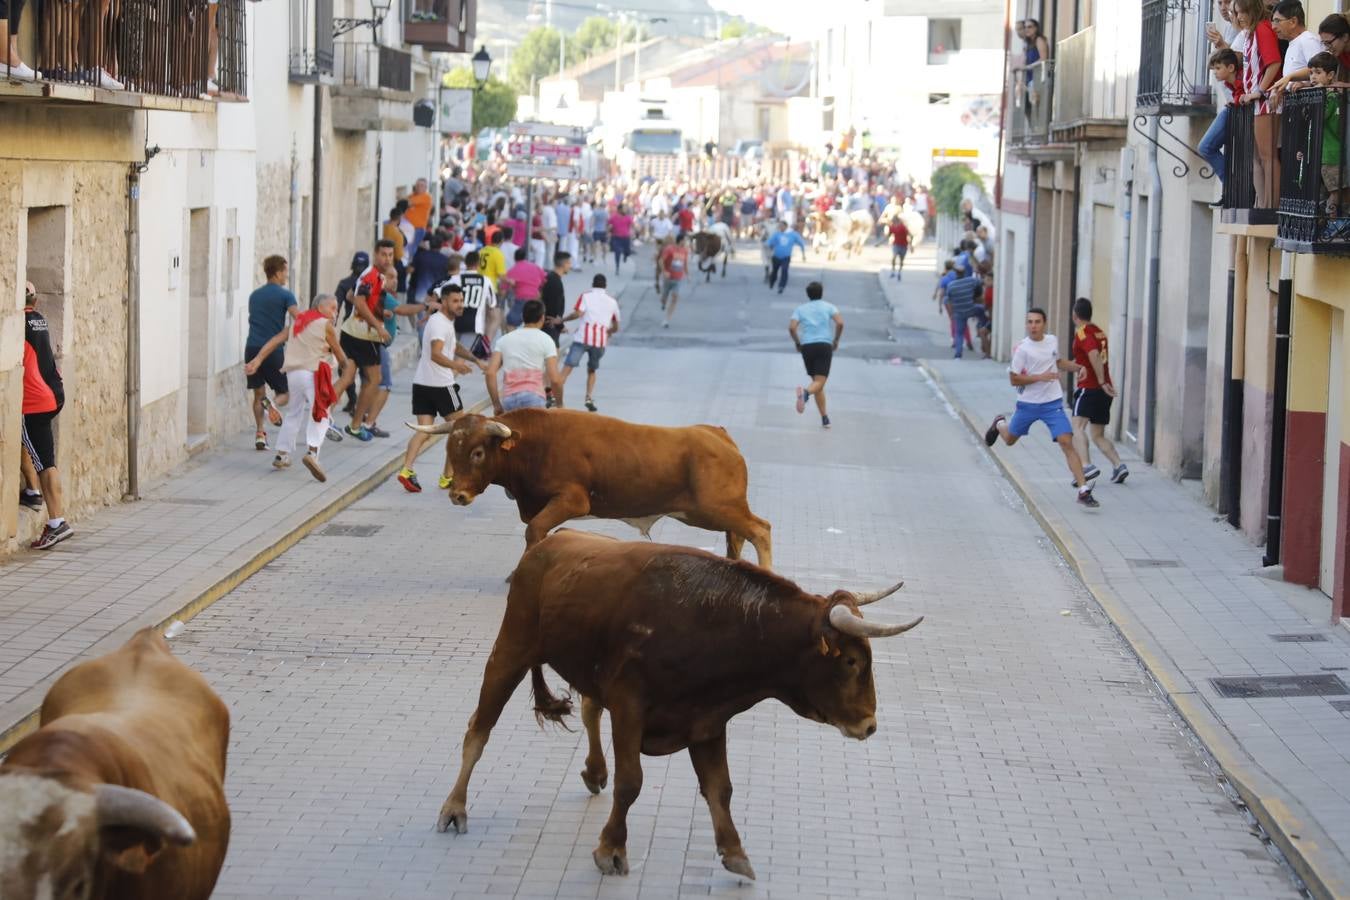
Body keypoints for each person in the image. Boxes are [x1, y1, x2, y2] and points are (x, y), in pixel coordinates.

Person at [984, 308, 1100, 509]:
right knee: (1010, 439)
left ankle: (1083, 490)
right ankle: (999, 423)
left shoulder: (1052, 341)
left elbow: (1057, 362)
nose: (1033, 326)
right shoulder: (1023, 349)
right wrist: (1040, 377)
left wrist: (1079, 367)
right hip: (1028, 404)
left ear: (1044, 324)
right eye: (1029, 322)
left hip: (1052, 403)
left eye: (1037, 322)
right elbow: (1013, 379)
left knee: (1066, 441)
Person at [245, 293, 349, 482]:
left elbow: (276, 341)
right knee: (320, 413)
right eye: (332, 308)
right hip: (314, 374)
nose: (335, 313)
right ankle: (312, 453)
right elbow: (341, 355)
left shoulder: (297, 323)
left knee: (294, 414)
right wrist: (346, 369)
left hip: (294, 375)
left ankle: (282, 454)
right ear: (320, 307)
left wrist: (258, 360)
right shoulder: (326, 325)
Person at [397, 285, 476, 493]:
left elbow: (453, 346)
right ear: (444, 302)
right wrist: (457, 365)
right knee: (460, 430)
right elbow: (436, 354)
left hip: (422, 383)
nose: (460, 305)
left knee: (424, 431)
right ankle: (447, 477)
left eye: (461, 300)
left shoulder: (441, 322)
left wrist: (475, 359)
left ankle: (406, 470)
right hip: (441, 385)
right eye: (455, 301)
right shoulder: (440, 323)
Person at [21, 281, 71, 549]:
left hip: (34, 401)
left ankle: (56, 522)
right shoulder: (39, 319)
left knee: (45, 462)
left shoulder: (17, 324)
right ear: (35, 301)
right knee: (33, 447)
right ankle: (31, 492)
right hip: (53, 393)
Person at [1069, 297, 1128, 487]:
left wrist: (1101, 381)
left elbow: (1093, 354)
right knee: (1098, 434)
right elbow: (1087, 356)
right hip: (1103, 391)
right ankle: (1119, 466)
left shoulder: (1083, 332)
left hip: (1091, 388)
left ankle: (1086, 466)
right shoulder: (1099, 331)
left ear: (1075, 315)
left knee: (1077, 428)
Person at [338, 240, 394, 441]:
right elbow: (360, 302)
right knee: (375, 380)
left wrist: (380, 312)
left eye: (390, 255)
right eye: (384, 254)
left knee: (347, 377)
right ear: (375, 254)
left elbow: (351, 295)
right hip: (363, 335)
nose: (387, 259)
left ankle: (323, 416)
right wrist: (378, 326)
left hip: (350, 331)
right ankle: (355, 425)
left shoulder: (374, 276)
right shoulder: (371, 275)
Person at [245, 255, 297, 450]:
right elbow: (297, 317)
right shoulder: (285, 295)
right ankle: (273, 405)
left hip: (251, 348)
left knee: (258, 394)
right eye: (284, 271)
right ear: (277, 272)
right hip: (273, 350)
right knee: (285, 392)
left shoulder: (254, 295)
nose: (285, 275)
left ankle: (260, 433)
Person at [1236, 0, 1282, 208]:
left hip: (1265, 102)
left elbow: (1274, 63)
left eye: (1241, 12)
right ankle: (1262, 204)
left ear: (1251, 9)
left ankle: (1271, 206)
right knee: (1257, 158)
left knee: (1267, 156)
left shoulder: (1263, 29)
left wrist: (1259, 91)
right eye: (1236, 13)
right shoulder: (1250, 33)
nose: (1238, 17)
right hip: (1255, 102)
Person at [485, 300, 562, 414]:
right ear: (542, 318)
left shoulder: (504, 340)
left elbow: (490, 373)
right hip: (534, 397)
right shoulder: (547, 340)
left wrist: (497, 405)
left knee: (514, 432)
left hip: (509, 399)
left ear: (522, 316)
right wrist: (560, 404)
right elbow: (555, 379)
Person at [558, 274, 620, 412]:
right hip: (599, 342)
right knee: (592, 370)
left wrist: (562, 320)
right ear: (605, 286)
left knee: (566, 369)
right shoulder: (612, 302)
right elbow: (616, 326)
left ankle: (556, 399)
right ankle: (588, 397)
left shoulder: (586, 296)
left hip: (581, 339)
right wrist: (608, 332)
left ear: (593, 284)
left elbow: (577, 314)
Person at [789, 281, 843, 429]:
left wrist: (797, 343)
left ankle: (824, 417)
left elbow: (792, 327)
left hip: (807, 347)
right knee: (819, 382)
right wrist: (836, 340)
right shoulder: (829, 307)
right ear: (821, 293)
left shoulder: (800, 309)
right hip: (824, 345)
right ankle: (805, 394)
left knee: (817, 383)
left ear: (808, 294)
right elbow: (840, 323)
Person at [1202, 49, 1244, 187]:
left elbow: (1245, 92)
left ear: (1231, 68)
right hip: (1233, 112)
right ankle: (1230, 187)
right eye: (1214, 69)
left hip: (1235, 112)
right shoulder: (1229, 83)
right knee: (1205, 147)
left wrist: (1236, 100)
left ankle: (1230, 186)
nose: (1215, 72)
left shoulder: (1241, 79)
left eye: (1218, 68)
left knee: (1205, 147)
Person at [453, 249, 498, 355]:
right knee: (461, 360)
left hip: (455, 322)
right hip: (474, 326)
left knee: (453, 357)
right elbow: (492, 304)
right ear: (478, 264)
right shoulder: (486, 281)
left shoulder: (456, 279)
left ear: (465, 263)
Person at [943, 268, 990, 359]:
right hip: (971, 309)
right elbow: (981, 283)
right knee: (981, 311)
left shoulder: (951, 285)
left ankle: (958, 355)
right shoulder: (971, 281)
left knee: (959, 333)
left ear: (955, 274)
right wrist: (977, 295)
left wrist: (951, 314)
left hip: (959, 312)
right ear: (964, 273)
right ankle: (983, 325)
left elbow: (947, 300)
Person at [500, 247, 548, 332]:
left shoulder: (512, 271)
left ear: (515, 258)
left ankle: (512, 342)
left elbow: (503, 291)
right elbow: (545, 279)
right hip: (536, 299)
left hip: (521, 300)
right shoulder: (535, 267)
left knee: (510, 322)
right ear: (525, 257)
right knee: (534, 323)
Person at [658, 232, 691, 328]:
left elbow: (685, 264)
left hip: (678, 278)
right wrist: (664, 271)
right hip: (668, 278)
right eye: (685, 240)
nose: (686, 242)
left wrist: (688, 275)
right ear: (680, 240)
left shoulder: (685, 251)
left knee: (675, 297)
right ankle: (663, 302)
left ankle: (666, 320)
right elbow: (661, 261)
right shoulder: (669, 249)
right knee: (664, 297)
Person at [541, 250, 572, 351]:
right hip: (550, 326)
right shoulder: (555, 282)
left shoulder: (550, 277)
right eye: (569, 263)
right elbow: (553, 307)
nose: (570, 266)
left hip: (548, 324)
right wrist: (560, 325)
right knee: (552, 359)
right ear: (564, 264)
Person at [767, 220, 808, 294]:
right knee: (774, 272)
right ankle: (772, 281)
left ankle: (781, 286)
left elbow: (801, 243)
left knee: (784, 270)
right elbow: (769, 243)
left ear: (786, 226)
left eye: (782, 226)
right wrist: (770, 249)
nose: (781, 227)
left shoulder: (793, 235)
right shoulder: (776, 234)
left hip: (786, 257)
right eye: (780, 226)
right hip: (776, 256)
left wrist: (803, 255)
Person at [405, 178, 433, 251]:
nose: (418, 187)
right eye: (417, 185)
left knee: (410, 249)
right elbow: (403, 201)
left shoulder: (426, 197)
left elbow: (407, 202)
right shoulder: (413, 195)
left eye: (421, 185)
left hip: (417, 228)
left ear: (425, 188)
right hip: (408, 228)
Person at [610, 204, 634, 274]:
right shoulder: (614, 217)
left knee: (627, 252)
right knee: (617, 252)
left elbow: (632, 225)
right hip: (616, 237)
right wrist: (609, 229)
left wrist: (634, 231)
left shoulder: (628, 217)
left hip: (626, 237)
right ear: (619, 210)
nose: (625, 210)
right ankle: (617, 267)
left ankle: (625, 256)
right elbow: (609, 224)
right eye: (624, 209)